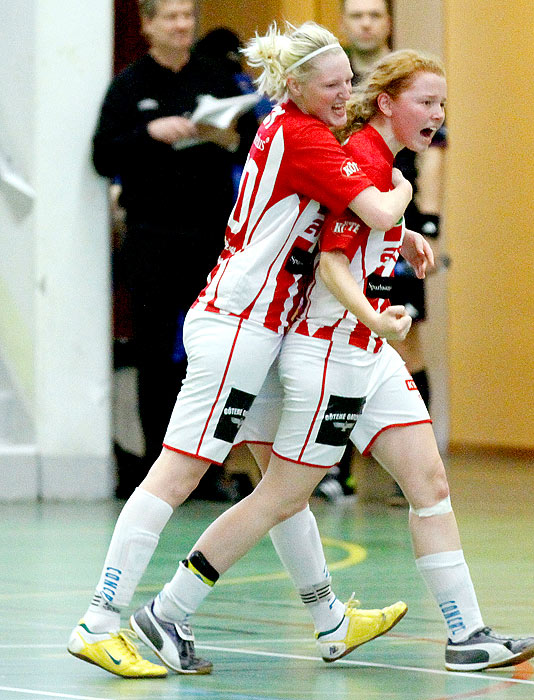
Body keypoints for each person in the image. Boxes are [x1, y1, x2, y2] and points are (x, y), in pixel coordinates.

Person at [130, 50, 534, 675]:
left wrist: (396, 238)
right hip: (329, 353)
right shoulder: (372, 164)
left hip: (368, 352)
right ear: (387, 104)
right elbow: (330, 263)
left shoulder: (376, 161)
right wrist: (378, 303)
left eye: (442, 104)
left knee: (429, 483)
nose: (437, 114)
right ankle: (169, 609)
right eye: (426, 102)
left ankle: (467, 634)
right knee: (280, 497)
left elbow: (353, 231)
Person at [68, 19, 414, 678]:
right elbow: (377, 211)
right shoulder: (305, 135)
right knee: (178, 475)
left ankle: (331, 621)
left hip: (260, 331)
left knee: (284, 485)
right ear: (297, 84)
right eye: (334, 85)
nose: (348, 95)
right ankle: (100, 621)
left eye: (351, 83)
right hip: (240, 330)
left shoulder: (290, 124)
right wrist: (403, 189)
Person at [93, 0, 259, 491]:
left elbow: (258, 144)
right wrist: (150, 132)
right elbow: (103, 155)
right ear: (147, 25)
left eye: (188, 16)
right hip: (152, 238)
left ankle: (208, 472)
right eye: (171, 16)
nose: (182, 25)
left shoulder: (217, 76)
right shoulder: (129, 86)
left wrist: (228, 140)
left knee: (211, 356)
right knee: (154, 354)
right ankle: (154, 471)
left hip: (213, 239)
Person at [318, 0, 448, 504]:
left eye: (376, 14)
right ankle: (337, 469)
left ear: (388, 22)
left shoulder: (418, 84)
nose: (367, 23)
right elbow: (337, 245)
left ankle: (414, 466)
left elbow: (433, 158)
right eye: (357, 15)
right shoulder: (340, 99)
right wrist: (399, 202)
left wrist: (419, 225)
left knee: (404, 343)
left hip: (388, 228)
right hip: (364, 225)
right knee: (347, 344)